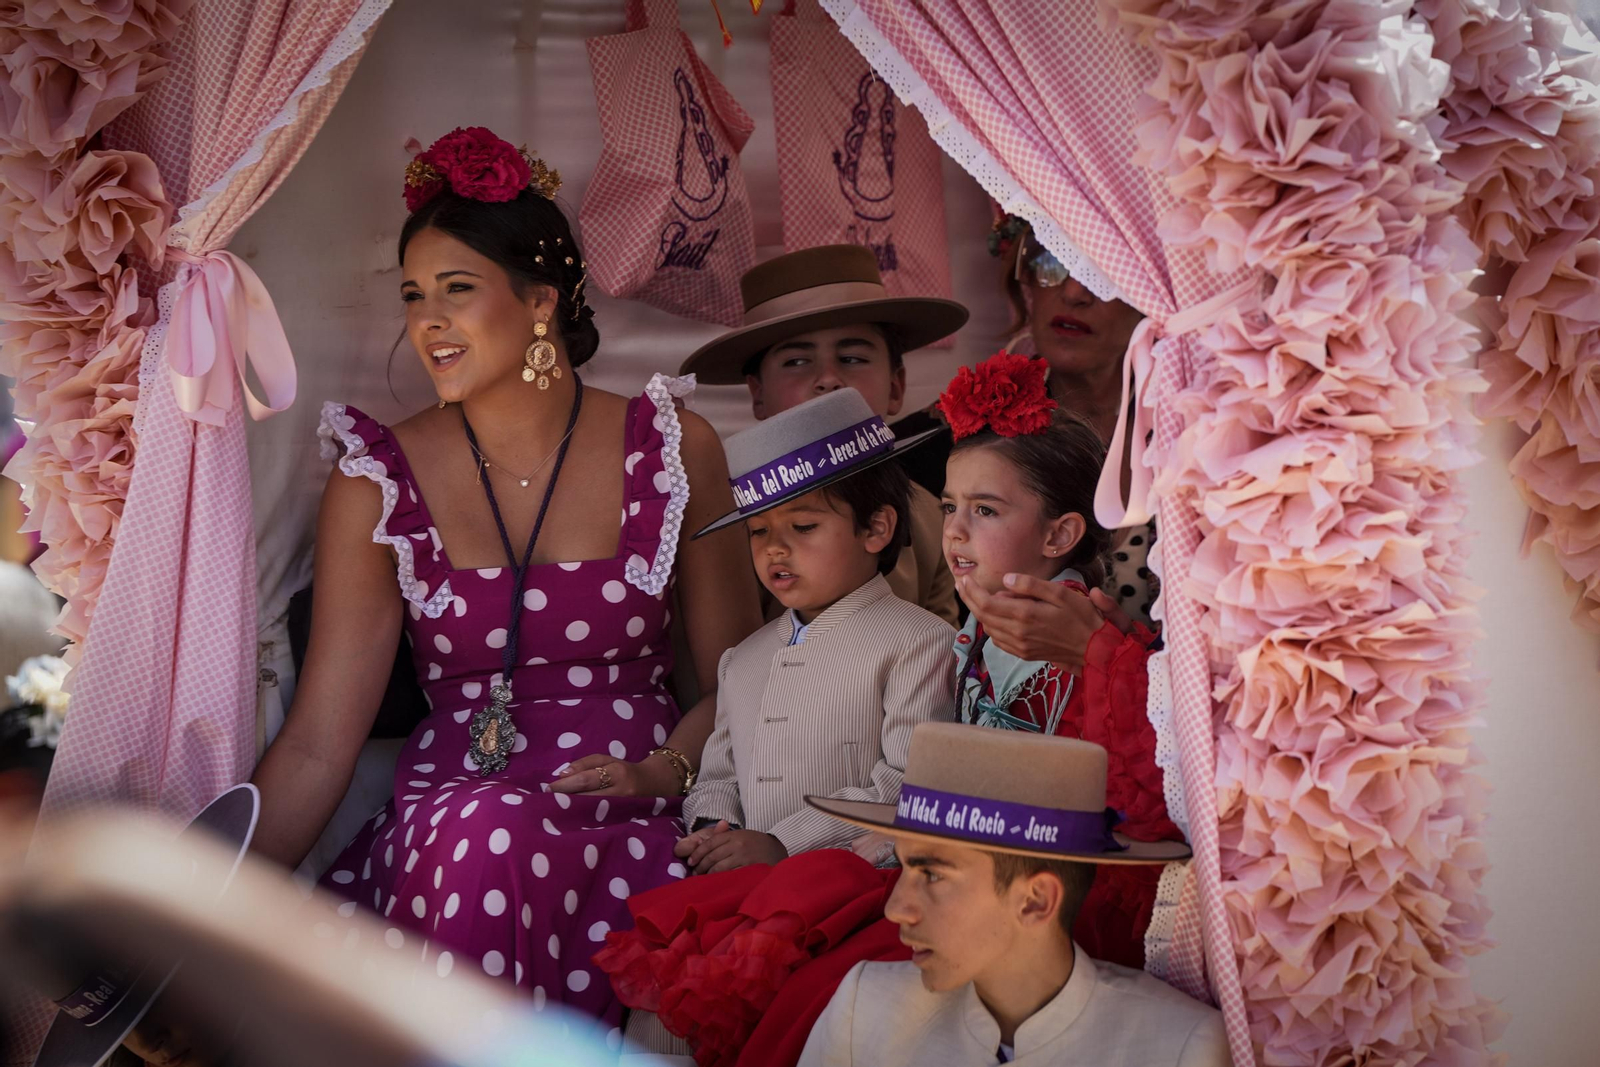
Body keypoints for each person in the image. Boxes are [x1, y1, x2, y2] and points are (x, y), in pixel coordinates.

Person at [244, 127, 761, 1038]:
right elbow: (322, 742)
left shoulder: (676, 449)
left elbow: (738, 685)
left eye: (456, 291)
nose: (427, 321)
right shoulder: (377, 476)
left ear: (539, 305)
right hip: (457, 825)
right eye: (412, 297)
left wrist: (658, 774)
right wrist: (206, 897)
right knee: (491, 837)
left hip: (635, 802)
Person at [934, 353, 1179, 968]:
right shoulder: (982, 617)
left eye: (984, 510)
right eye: (948, 507)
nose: (956, 530)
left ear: (1059, 536)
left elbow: (1111, 792)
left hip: (1050, 890)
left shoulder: (1075, 630)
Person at [797, 722, 1224, 1067]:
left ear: (1035, 900)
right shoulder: (867, 1008)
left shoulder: (1179, 1048)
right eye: (904, 865)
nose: (895, 909)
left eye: (931, 875)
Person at [675, 388, 957, 874]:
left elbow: (907, 782)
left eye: (803, 526)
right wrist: (711, 829)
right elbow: (718, 775)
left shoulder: (921, 643)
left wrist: (782, 843)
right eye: (758, 531)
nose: (775, 550)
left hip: (857, 889)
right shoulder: (741, 658)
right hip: (743, 886)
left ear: (876, 529)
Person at [678, 244, 967, 626]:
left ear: (896, 386)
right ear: (757, 394)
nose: (828, 379)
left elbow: (946, 660)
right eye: (797, 361)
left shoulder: (931, 516)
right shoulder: (721, 520)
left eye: (852, 359)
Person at [991, 214, 1158, 624]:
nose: (1074, 291)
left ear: (1152, 299)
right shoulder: (979, 429)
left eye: (1105, 272)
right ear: (1025, 281)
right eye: (1052, 261)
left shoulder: (1189, 428)